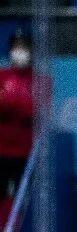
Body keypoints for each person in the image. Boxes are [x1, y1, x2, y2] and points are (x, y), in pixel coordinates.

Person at [0, 30, 33, 209]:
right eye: (16, 47)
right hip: (1, 151)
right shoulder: (2, 77)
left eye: (24, 47)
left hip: (25, 154)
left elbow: (35, 111)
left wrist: (10, 103)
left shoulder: (40, 81)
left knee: (23, 203)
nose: (20, 51)